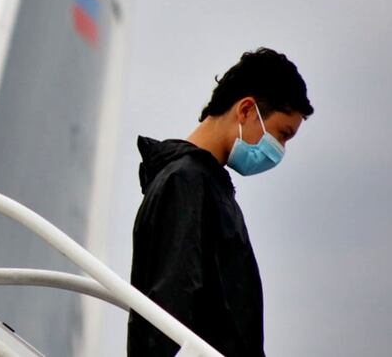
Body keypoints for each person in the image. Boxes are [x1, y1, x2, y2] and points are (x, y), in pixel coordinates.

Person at [128, 47, 314, 356]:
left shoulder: (208, 186)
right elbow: (168, 308)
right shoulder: (185, 181)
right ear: (246, 110)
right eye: (282, 135)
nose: (280, 149)